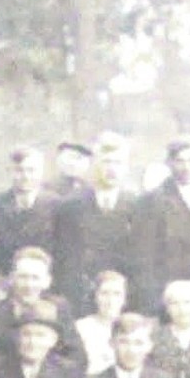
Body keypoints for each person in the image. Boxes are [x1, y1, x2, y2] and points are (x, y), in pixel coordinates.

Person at [52, 132, 136, 312]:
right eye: (106, 162)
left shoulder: (138, 206)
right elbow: (63, 257)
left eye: (118, 163)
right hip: (80, 297)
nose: (112, 169)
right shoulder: (71, 205)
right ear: (94, 164)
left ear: (127, 167)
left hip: (122, 299)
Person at [0, 246, 76, 365]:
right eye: (23, 277)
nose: (29, 285)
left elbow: (74, 354)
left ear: (47, 281)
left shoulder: (58, 308)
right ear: (11, 279)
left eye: (35, 278)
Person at [133, 138, 190, 310]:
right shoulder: (152, 200)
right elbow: (143, 256)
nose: (187, 167)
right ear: (169, 163)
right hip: (162, 293)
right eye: (180, 161)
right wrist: (151, 302)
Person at [0, 145, 59, 276]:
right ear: (10, 171)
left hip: (44, 279)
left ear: (41, 172)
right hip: (4, 278)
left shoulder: (57, 206)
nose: (25, 176)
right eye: (19, 170)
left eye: (31, 170)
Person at [73, 270, 128, 377]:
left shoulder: (132, 329)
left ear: (124, 299)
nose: (110, 301)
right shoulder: (81, 328)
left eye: (117, 294)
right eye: (104, 293)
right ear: (95, 296)